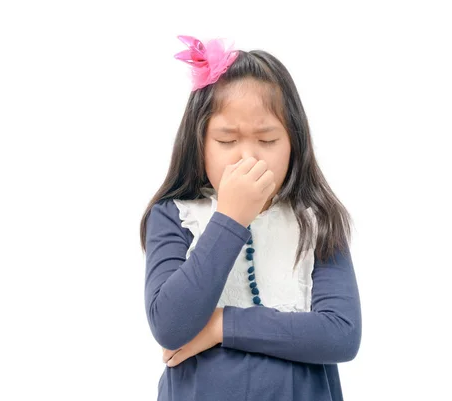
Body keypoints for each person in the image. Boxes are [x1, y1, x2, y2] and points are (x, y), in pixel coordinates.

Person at [139, 35, 362, 401]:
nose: (248, 158)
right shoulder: (175, 216)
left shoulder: (315, 220)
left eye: (268, 140)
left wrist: (221, 326)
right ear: (199, 144)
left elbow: (341, 334)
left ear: (294, 144)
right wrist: (230, 217)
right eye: (227, 141)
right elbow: (170, 324)